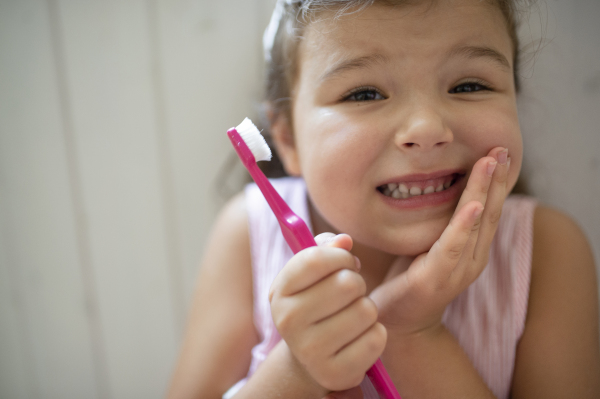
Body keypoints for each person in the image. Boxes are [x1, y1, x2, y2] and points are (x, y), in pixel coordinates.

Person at [167, 0, 600, 398]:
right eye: (364, 94)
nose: (426, 128)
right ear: (287, 139)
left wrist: (411, 330)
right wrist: (298, 369)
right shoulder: (248, 232)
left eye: (469, 85)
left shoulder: (547, 250)